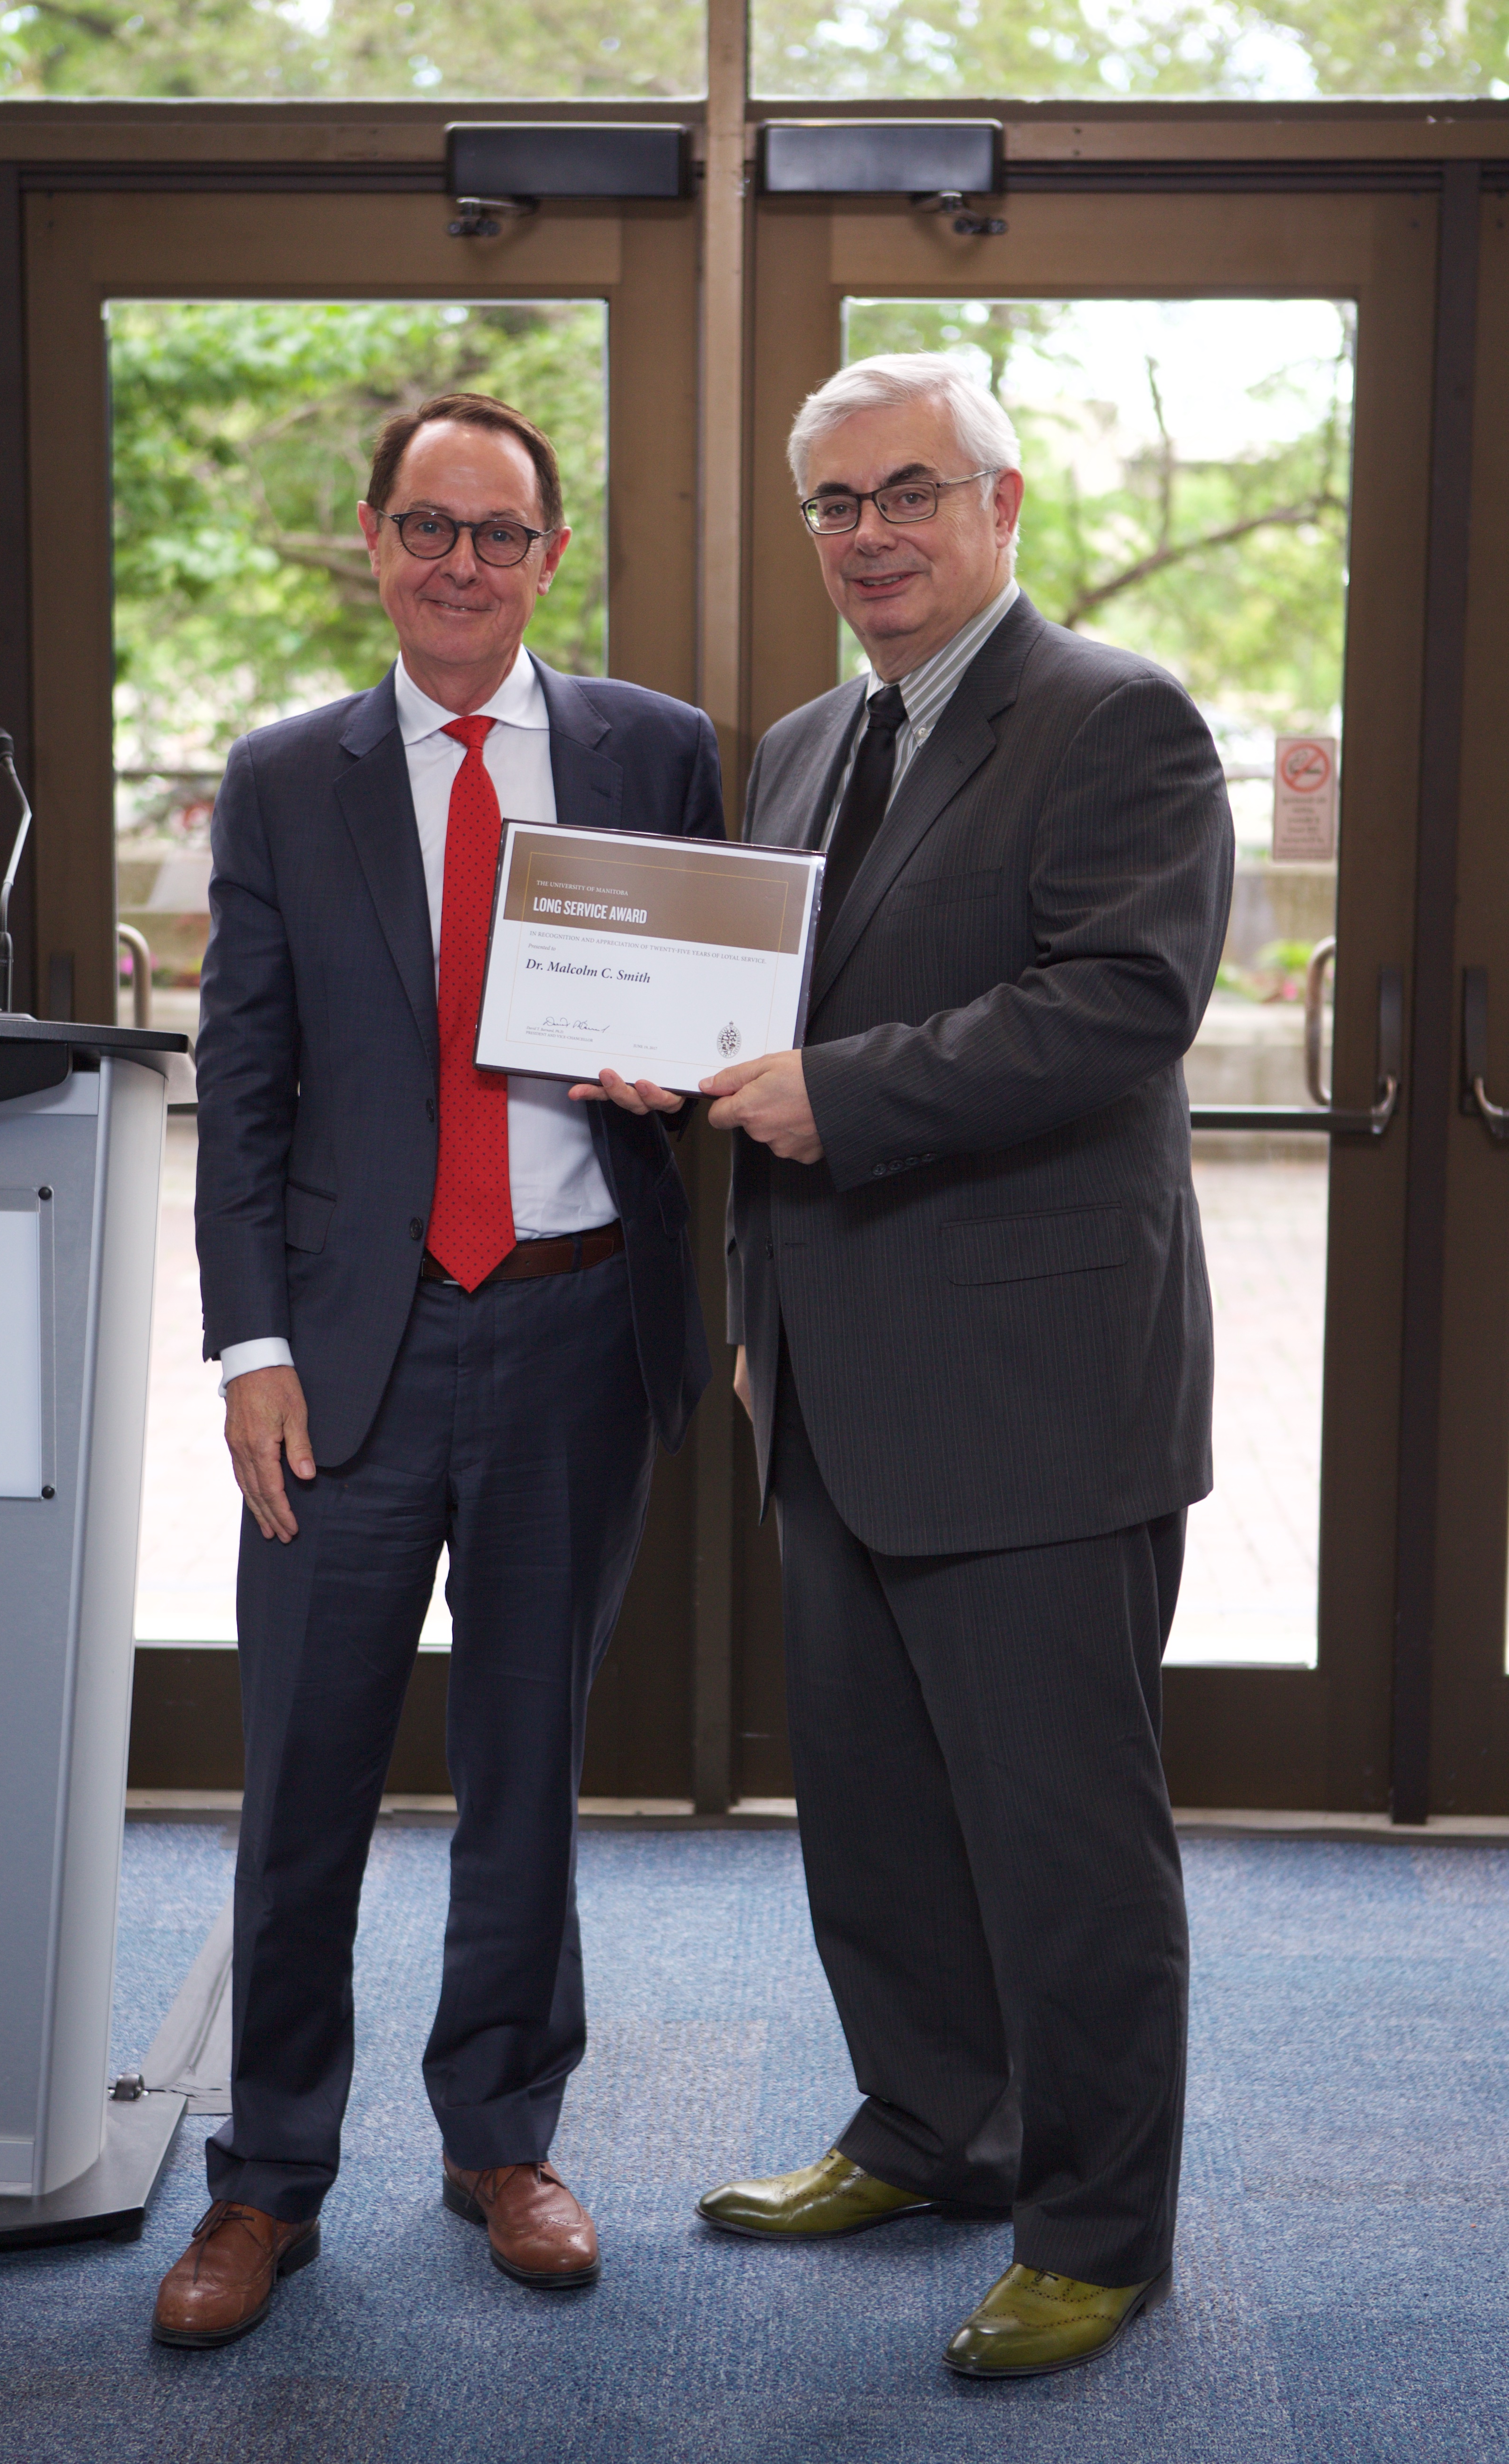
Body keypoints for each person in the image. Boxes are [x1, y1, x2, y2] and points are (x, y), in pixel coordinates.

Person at [152, 392, 722, 2348]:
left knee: (526, 1766)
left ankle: (502, 2137)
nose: (461, 562)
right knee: (303, 1771)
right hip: (348, 1354)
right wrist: (250, 1347)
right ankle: (267, 2173)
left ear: (550, 556)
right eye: (428, 526)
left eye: (499, 532)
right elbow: (244, 1087)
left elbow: (721, 1015)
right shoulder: (283, 777)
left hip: (576, 1324)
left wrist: (690, 1067)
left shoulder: (653, 750)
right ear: (376, 540)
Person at [695, 353, 1233, 2381]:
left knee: (1062, 1839)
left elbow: (1117, 1003)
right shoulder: (800, 742)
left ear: (1003, 503)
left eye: (910, 490)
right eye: (836, 503)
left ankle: (1093, 2231)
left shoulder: (1114, 716)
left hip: (1034, 1387)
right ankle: (932, 2126)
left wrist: (835, 1094)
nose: (870, 535)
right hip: (826, 1369)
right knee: (877, 1808)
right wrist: (743, 1284)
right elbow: (758, 1020)